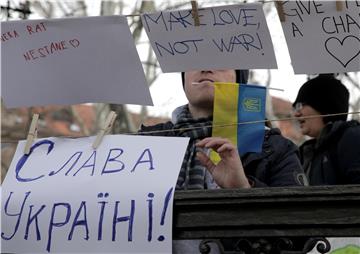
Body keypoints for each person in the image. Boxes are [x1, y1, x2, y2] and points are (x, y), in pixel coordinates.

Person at [140, 69, 305, 189]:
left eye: (221, 63)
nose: (206, 68)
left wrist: (244, 189)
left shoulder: (278, 149)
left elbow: (297, 224)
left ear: (238, 79)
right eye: (194, 62)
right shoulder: (146, 141)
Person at [293, 75, 360, 185]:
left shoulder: (352, 138)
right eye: (295, 108)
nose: (296, 114)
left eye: (300, 105)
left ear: (324, 105)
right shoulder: (308, 152)